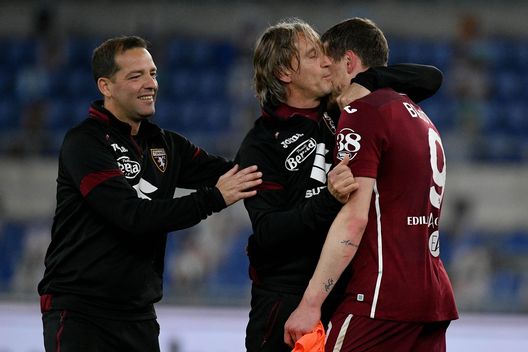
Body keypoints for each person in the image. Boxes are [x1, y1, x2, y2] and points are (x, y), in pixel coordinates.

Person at [37, 35, 262, 352]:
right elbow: (131, 216)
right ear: (106, 86)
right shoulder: (84, 143)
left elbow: (237, 172)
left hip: (138, 315)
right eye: (135, 76)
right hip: (79, 312)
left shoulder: (166, 144)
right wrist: (214, 198)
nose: (150, 84)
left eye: (153, 73)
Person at [236, 18, 446, 352]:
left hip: (340, 291)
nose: (325, 62)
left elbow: (431, 77)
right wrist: (328, 200)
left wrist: (367, 80)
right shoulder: (260, 145)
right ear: (284, 73)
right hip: (284, 300)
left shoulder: (343, 111)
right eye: (312, 55)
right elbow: (268, 232)